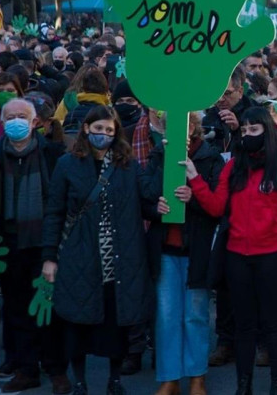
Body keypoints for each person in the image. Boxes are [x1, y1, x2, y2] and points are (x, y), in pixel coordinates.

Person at [41, 105, 165, 395]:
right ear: (86, 129)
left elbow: (144, 201)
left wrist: (159, 207)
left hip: (119, 257)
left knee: (115, 322)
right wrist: (49, 257)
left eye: (109, 130)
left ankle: (114, 380)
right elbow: (54, 213)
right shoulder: (67, 164)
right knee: (77, 321)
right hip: (79, 253)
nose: (104, 134)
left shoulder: (128, 164)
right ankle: (80, 381)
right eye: (99, 129)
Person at [184, 107, 277, 395]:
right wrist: (194, 178)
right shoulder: (232, 166)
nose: (248, 135)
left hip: (273, 257)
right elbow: (216, 207)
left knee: (274, 325)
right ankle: (244, 386)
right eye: (246, 130)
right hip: (237, 258)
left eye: (255, 130)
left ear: (267, 132)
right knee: (244, 327)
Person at [145, 112, 225, 395]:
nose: (182, 128)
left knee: (196, 315)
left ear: (195, 126)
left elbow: (218, 205)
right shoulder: (157, 154)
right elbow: (146, 196)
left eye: (187, 122)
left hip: (197, 249)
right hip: (165, 248)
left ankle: (197, 377)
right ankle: (169, 379)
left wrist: (194, 196)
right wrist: (158, 207)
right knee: (167, 316)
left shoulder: (209, 156)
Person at [0, 97, 69, 394]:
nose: (16, 120)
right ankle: (26, 369)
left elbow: (60, 201)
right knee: (16, 307)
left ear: (36, 121)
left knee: (49, 308)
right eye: (10, 115)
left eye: (22, 115)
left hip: (45, 241)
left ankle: (56, 368)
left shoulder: (53, 154)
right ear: (2, 121)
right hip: (8, 241)